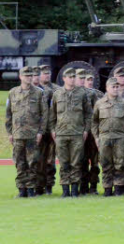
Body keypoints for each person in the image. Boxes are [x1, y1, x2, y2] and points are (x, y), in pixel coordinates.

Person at [49, 67, 93, 198]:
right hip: (61, 133)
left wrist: (86, 130)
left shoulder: (82, 94)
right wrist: (52, 130)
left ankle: (74, 189)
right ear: (64, 79)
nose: (72, 79)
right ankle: (65, 189)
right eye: (69, 77)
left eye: (74, 77)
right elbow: (52, 115)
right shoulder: (57, 94)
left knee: (76, 162)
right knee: (64, 162)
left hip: (77, 133)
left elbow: (88, 114)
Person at [5, 66, 47, 198]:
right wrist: (10, 132)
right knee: (19, 162)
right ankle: (21, 189)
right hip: (17, 134)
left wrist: (41, 132)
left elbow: (44, 114)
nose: (29, 78)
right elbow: (8, 115)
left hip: (33, 135)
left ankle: (31, 188)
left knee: (33, 162)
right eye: (26, 75)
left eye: (30, 75)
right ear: (20, 77)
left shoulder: (39, 93)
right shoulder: (13, 93)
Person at [92, 78, 124, 196]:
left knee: (120, 163)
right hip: (104, 137)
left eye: (117, 87)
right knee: (105, 163)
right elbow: (94, 122)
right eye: (113, 87)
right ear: (107, 88)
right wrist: (96, 137)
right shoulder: (99, 103)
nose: (115, 89)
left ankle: (118, 188)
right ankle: (107, 188)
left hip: (120, 136)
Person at [37, 65, 58, 195]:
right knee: (38, 160)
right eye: (44, 73)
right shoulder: (35, 90)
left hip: (50, 130)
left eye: (48, 73)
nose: (47, 75)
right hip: (37, 130)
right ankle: (38, 186)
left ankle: (49, 185)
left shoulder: (55, 90)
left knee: (50, 160)